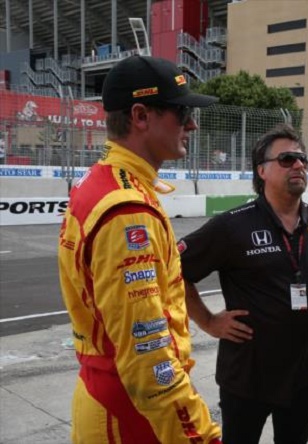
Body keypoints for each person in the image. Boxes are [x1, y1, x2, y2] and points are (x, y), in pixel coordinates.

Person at [57, 55, 222, 443]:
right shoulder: (126, 210)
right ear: (141, 116)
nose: (192, 124)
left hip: (115, 400)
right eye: (182, 112)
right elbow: (147, 357)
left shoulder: (102, 184)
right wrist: (201, 437)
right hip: (131, 415)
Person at [178, 123, 308, 444]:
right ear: (262, 171)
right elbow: (173, 269)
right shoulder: (232, 225)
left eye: (302, 159)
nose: (298, 165)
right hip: (247, 378)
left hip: (303, 374)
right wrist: (209, 321)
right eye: (286, 159)